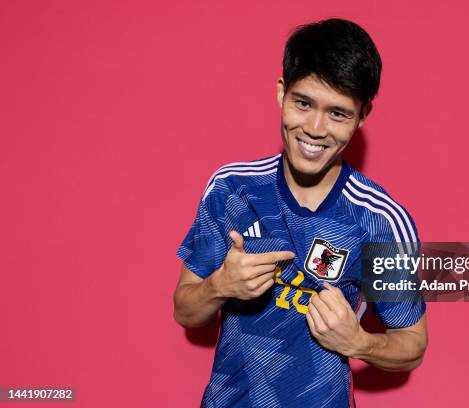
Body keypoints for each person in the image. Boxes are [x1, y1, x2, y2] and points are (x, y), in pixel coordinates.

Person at [173, 18, 428, 408]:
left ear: (363, 116)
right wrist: (220, 285)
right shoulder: (232, 189)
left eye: (338, 113)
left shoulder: (380, 220)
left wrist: (359, 342)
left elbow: (413, 345)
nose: (314, 128)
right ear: (281, 93)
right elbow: (184, 310)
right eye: (303, 102)